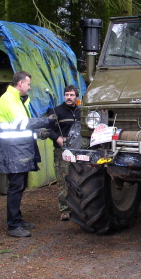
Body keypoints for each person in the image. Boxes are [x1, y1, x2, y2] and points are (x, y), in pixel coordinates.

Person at [0, 71, 55, 238]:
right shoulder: (8, 100)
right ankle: (13, 226)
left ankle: (17, 220)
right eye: (28, 84)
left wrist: (39, 134)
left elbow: (21, 130)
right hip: (12, 152)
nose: (29, 87)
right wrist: (48, 121)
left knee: (19, 187)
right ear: (20, 83)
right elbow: (22, 124)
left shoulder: (19, 101)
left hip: (18, 150)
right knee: (15, 188)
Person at [47, 85, 80, 221]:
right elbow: (49, 129)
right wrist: (59, 139)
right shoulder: (56, 111)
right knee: (63, 179)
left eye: (72, 95)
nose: (69, 97)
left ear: (76, 97)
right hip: (63, 151)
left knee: (78, 179)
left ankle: (78, 207)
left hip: (78, 150)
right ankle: (65, 209)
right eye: (67, 95)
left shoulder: (81, 112)